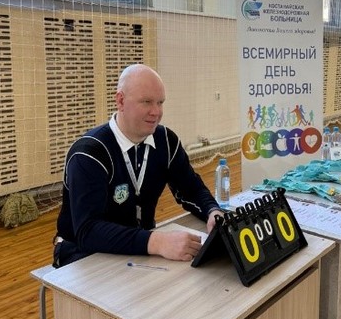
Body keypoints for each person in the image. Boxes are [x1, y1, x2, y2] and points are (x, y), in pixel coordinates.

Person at [53, 64, 223, 267]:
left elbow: (191, 189)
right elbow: (88, 231)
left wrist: (213, 211)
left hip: (138, 247)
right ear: (120, 101)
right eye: (146, 102)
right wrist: (157, 242)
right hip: (83, 254)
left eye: (160, 102)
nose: (156, 112)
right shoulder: (89, 152)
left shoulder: (165, 140)